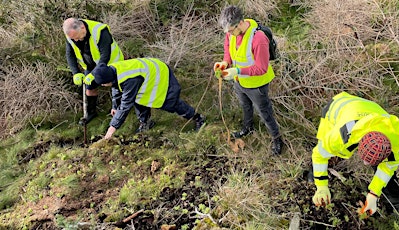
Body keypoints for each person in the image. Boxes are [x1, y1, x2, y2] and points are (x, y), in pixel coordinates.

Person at [311, 92, 399, 216]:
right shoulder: (342, 135)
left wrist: (374, 194)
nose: (365, 164)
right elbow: (319, 154)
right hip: (336, 107)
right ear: (359, 142)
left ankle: (393, 199)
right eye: (365, 159)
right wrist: (321, 186)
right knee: (325, 150)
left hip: (369, 109)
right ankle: (313, 175)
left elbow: (387, 169)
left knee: (385, 171)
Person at [214, 5, 283, 155]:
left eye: (231, 31)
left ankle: (277, 138)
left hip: (257, 85)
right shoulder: (231, 32)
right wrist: (225, 62)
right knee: (245, 105)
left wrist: (237, 70)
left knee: (265, 112)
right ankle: (248, 127)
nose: (230, 35)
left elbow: (261, 68)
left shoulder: (258, 39)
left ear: (240, 23)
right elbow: (228, 47)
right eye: (227, 32)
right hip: (239, 81)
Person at [86, 58, 206, 139]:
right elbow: (117, 88)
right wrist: (114, 106)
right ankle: (146, 122)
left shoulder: (129, 79)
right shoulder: (112, 70)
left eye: (103, 84)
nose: (103, 86)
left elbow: (126, 104)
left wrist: (111, 129)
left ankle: (197, 118)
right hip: (145, 75)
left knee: (170, 102)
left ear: (108, 81)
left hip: (159, 74)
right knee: (139, 99)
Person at [62, 18, 124, 125]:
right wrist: (75, 72)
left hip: (112, 64)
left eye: (77, 37)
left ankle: (119, 110)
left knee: (115, 85)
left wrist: (95, 73)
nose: (75, 41)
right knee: (89, 87)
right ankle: (91, 113)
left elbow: (105, 55)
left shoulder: (100, 30)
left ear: (82, 27)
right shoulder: (71, 36)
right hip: (90, 65)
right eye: (73, 39)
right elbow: (70, 54)